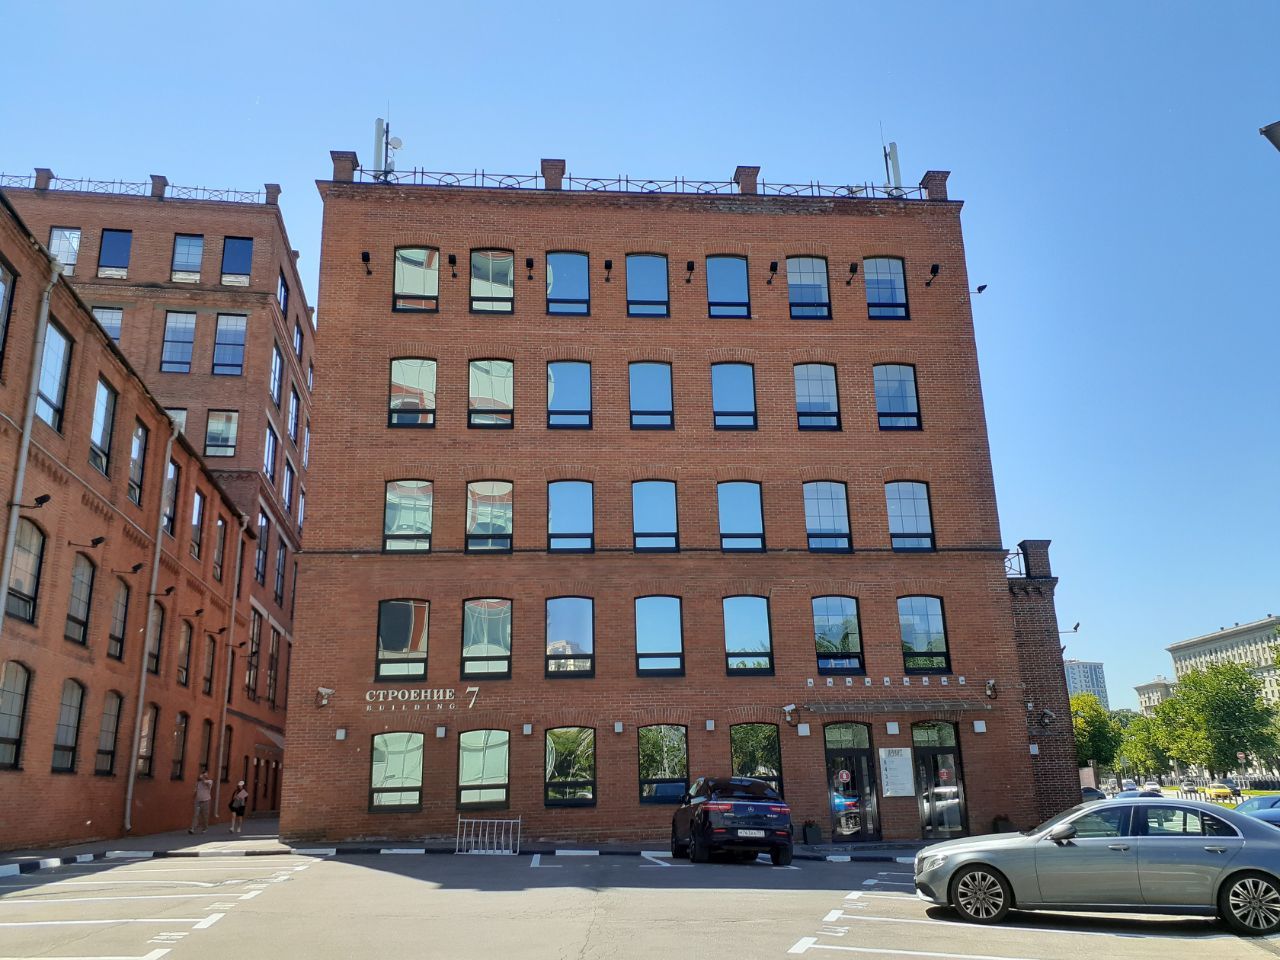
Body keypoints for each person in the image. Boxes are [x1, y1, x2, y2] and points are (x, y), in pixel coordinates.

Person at [189, 768, 213, 834]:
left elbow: (205, 782)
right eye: (203, 774)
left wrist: (202, 778)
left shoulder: (210, 781)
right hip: (198, 801)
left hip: (206, 801)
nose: (204, 776)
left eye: (205, 774)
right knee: (196, 814)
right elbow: (195, 790)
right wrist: (194, 796)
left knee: (205, 816)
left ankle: (205, 828)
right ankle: (192, 828)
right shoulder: (198, 783)